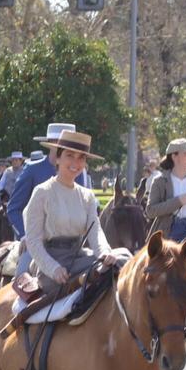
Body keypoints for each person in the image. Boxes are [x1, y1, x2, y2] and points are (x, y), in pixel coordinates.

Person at [23, 130, 117, 296]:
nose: (76, 162)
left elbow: (95, 231)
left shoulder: (87, 196)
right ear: (57, 158)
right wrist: (53, 269)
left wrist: (104, 252)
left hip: (79, 258)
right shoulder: (42, 192)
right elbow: (33, 240)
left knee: (121, 260)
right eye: (70, 155)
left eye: (81, 157)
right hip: (51, 263)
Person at [7, 123, 89, 276]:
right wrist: (25, 234)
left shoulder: (79, 172)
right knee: (22, 277)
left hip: (73, 245)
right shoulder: (32, 170)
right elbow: (14, 208)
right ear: (51, 144)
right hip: (37, 243)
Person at [146, 138, 186, 245]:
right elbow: (150, 211)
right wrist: (178, 201)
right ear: (174, 156)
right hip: (168, 237)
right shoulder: (159, 181)